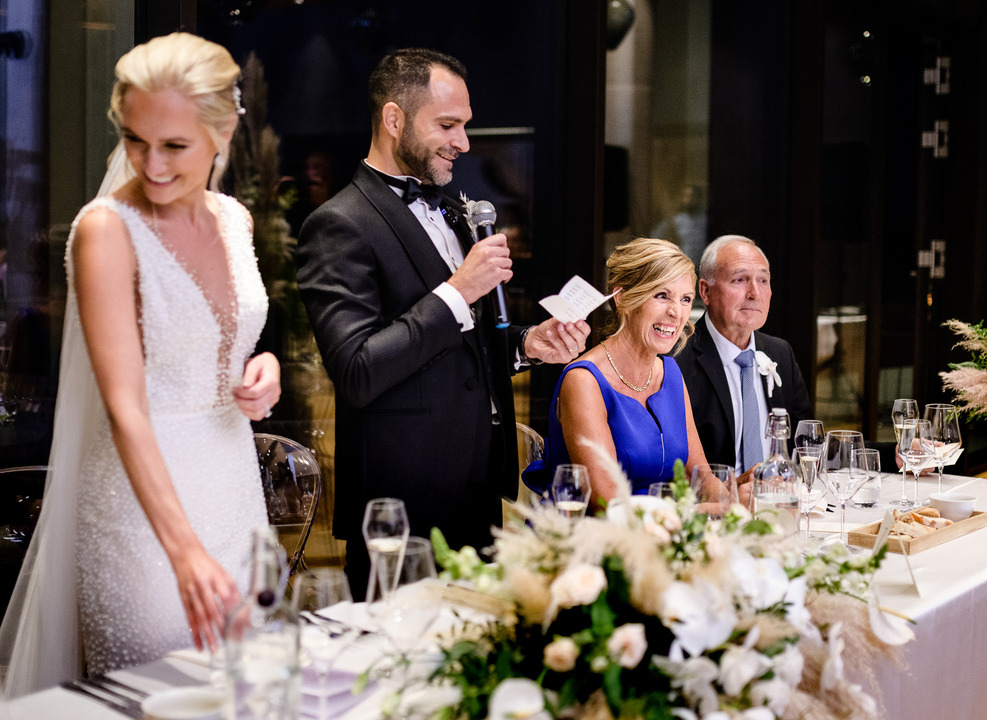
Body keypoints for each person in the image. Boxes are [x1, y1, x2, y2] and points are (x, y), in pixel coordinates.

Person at [0, 32, 279, 697]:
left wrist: (259, 371)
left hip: (234, 487)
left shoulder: (235, 218)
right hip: (141, 512)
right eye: (135, 140)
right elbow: (124, 404)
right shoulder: (105, 231)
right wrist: (182, 552)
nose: (151, 165)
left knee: (245, 688)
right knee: (160, 695)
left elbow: (228, 340)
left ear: (224, 129)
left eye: (174, 145)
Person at [295, 48, 588, 598]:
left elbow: (458, 349)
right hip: (400, 503)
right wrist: (458, 290)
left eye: (465, 126)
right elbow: (357, 369)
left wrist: (528, 345)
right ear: (393, 119)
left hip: (476, 490)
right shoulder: (337, 224)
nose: (464, 143)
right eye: (448, 125)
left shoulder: (456, 211)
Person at [524, 238, 730, 506]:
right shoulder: (584, 380)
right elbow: (608, 502)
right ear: (623, 298)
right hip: (589, 537)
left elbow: (698, 476)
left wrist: (738, 505)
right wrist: (691, 519)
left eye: (685, 299)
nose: (676, 312)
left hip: (662, 530)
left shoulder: (670, 372)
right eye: (661, 295)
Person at [676, 235, 812, 478]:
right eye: (740, 280)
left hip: (781, 500)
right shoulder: (676, 359)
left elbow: (808, 444)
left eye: (763, 280)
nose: (754, 293)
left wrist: (891, 453)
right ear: (705, 292)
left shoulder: (780, 352)